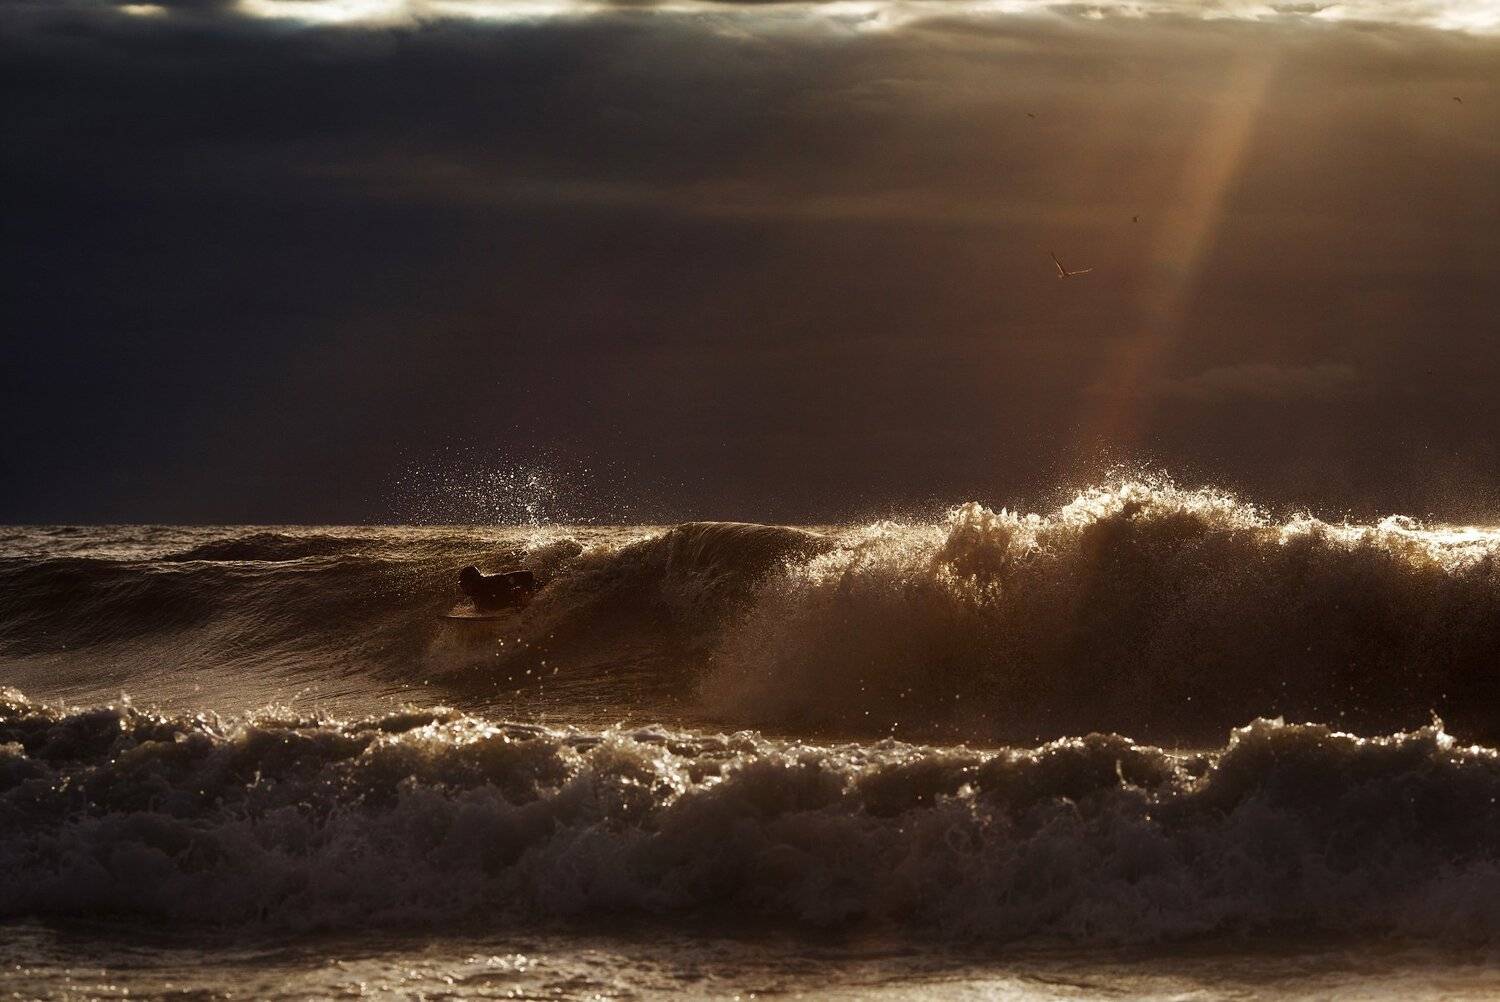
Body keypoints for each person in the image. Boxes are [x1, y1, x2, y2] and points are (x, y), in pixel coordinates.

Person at [458, 565, 539, 611]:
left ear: (474, 582)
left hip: (534, 590)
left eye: (465, 585)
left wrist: (529, 594)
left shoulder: (494, 582)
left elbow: (528, 575)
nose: (463, 588)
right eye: (462, 585)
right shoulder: (476, 592)